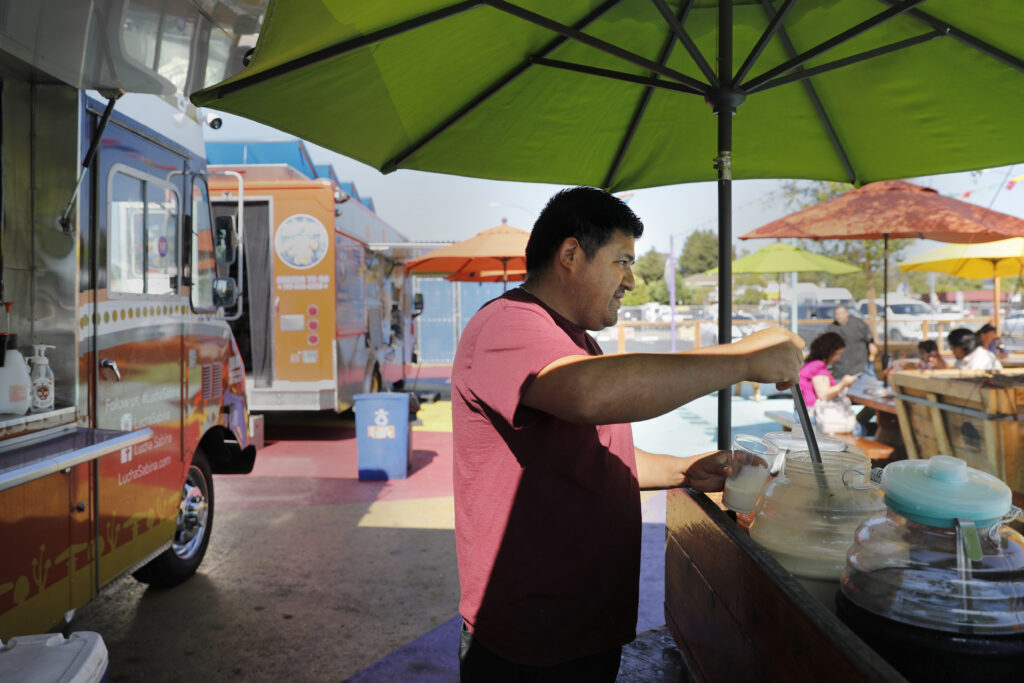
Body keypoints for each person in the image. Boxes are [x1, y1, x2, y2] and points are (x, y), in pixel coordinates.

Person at [452, 186, 804, 681]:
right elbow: (590, 395)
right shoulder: (507, 325)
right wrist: (742, 359)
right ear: (571, 254)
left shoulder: (577, 341)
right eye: (621, 262)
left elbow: (594, 454)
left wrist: (683, 468)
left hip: (586, 624)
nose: (632, 281)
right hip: (531, 639)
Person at [797, 332, 864, 436]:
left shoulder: (809, 364)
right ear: (829, 352)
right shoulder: (818, 366)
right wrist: (843, 383)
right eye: (838, 354)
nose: (838, 358)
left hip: (802, 412)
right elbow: (824, 395)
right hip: (813, 415)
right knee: (858, 429)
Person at [830, 305, 878, 378]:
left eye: (841, 313)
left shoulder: (858, 323)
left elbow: (871, 341)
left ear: (847, 313)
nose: (839, 316)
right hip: (840, 369)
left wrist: (872, 354)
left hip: (861, 368)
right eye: (837, 314)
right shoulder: (832, 328)